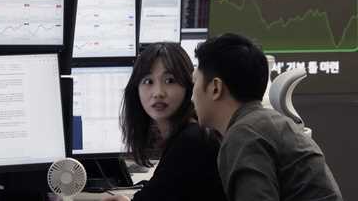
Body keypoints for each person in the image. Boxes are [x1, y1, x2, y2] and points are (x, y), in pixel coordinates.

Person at [191, 33, 343, 201]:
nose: (192, 97)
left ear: (215, 88)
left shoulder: (244, 134)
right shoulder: (262, 123)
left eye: (195, 82)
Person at [102, 42, 226, 201]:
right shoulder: (187, 134)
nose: (158, 93)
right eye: (148, 81)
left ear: (189, 86)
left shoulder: (192, 141)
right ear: (136, 89)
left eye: (170, 80)